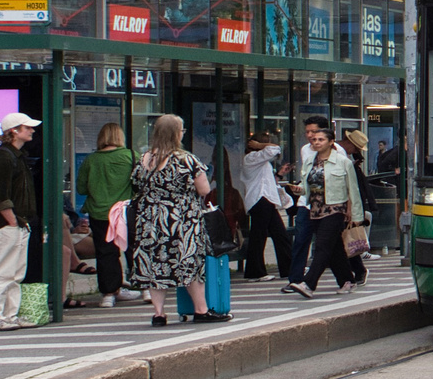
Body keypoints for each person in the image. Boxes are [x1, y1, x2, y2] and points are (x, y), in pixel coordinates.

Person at [126, 114, 227, 325]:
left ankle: (159, 314)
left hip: (151, 221)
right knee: (188, 263)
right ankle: (201, 310)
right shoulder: (186, 160)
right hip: (181, 221)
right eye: (181, 130)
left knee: (155, 265)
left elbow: (136, 186)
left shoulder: (145, 159)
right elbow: (204, 189)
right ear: (176, 134)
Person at [0, 112, 40, 331]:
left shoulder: (14, 155)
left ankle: (9, 316)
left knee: (14, 274)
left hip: (16, 224)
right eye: (27, 127)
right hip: (4, 226)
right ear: (14, 130)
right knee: (0, 273)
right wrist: (12, 221)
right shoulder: (3, 157)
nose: (32, 130)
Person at [289, 123, 365, 298]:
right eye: (314, 139)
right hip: (315, 209)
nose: (316, 142)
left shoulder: (343, 162)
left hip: (336, 208)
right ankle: (348, 280)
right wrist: (300, 190)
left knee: (322, 245)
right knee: (334, 247)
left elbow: (353, 190)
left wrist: (357, 215)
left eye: (321, 139)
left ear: (331, 142)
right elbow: (308, 185)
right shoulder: (309, 161)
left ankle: (309, 283)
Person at [76, 124, 140, 308]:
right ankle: (144, 287)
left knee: (106, 252)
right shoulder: (131, 156)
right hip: (125, 211)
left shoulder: (91, 160)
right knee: (133, 247)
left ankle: (109, 294)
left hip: (100, 213)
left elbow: (81, 188)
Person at [281, 115, 331, 294]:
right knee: (301, 240)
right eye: (308, 132)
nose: (310, 136)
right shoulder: (305, 150)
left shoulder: (337, 151)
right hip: (307, 203)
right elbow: (306, 176)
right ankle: (295, 279)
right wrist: (300, 188)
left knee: (330, 244)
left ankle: (351, 274)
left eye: (314, 132)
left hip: (328, 204)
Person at [242, 130, 294, 280]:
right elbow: (274, 148)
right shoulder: (251, 158)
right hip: (259, 199)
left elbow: (266, 179)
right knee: (259, 235)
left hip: (266, 199)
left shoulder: (260, 161)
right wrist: (261, 145)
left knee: (280, 234)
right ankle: (254, 271)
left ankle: (289, 267)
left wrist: (279, 175)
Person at [340, 128, 378, 287]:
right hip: (336, 203)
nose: (355, 152)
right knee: (337, 241)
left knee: (338, 240)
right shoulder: (343, 156)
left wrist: (351, 209)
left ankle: (351, 274)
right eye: (355, 148)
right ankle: (352, 273)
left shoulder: (344, 158)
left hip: (341, 203)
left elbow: (349, 186)